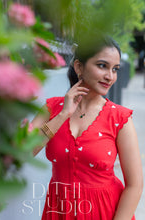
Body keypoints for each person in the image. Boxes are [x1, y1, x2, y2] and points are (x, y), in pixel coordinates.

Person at [30, 36, 143, 220]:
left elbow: (135, 185)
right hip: (60, 211)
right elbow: (24, 152)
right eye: (102, 66)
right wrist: (63, 114)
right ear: (79, 67)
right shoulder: (52, 109)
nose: (110, 76)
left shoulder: (119, 118)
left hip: (105, 212)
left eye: (115, 69)